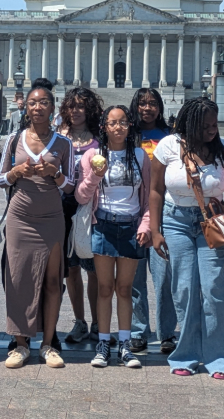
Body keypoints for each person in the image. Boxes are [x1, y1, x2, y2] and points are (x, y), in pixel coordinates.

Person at [149, 97, 224, 378]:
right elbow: (156, 190)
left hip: (212, 224)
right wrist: (155, 230)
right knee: (183, 289)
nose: (211, 130)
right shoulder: (169, 146)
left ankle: (221, 358)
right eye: (205, 125)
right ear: (189, 123)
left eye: (214, 124)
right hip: (176, 222)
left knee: (213, 288)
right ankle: (187, 355)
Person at [0, 84, 75, 369]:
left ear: (52, 108)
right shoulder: (14, 139)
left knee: (54, 280)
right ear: (26, 108)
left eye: (43, 103)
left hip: (52, 217)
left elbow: (71, 186)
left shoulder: (63, 144)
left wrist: (54, 174)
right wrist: (16, 172)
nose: (38, 107)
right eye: (32, 103)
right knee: (18, 280)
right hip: (20, 217)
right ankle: (20, 344)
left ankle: (48, 344)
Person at [75, 105, 152, 368]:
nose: (118, 127)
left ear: (130, 126)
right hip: (103, 225)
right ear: (104, 127)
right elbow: (81, 196)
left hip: (131, 227)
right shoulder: (92, 155)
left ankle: (125, 345)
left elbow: (148, 199)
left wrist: (146, 226)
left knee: (125, 289)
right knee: (105, 288)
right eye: (112, 123)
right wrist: (96, 176)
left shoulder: (141, 157)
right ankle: (103, 345)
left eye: (122, 122)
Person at [128, 87, 175, 354]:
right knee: (134, 279)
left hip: (164, 211)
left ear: (160, 107)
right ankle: (138, 330)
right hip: (132, 212)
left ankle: (167, 331)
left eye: (153, 104)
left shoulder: (170, 136)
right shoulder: (128, 135)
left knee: (164, 277)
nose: (148, 108)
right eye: (143, 104)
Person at [57, 87, 103, 345]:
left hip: (90, 207)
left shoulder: (99, 137)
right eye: (72, 106)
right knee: (71, 268)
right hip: (63, 206)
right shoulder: (58, 136)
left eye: (81, 107)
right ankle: (80, 321)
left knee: (93, 268)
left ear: (90, 110)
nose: (75, 111)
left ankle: (97, 322)